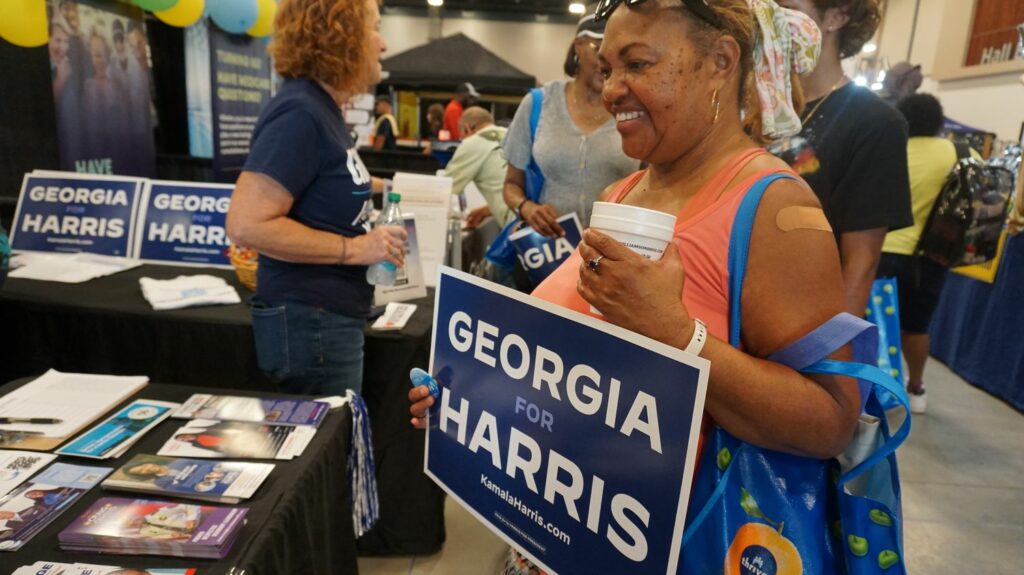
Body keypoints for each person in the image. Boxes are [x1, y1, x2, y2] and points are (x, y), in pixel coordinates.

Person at [412, 1, 861, 572]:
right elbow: (576, 366)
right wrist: (476, 395)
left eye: (638, 64)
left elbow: (830, 421)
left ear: (720, 61)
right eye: (607, 68)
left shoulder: (775, 207)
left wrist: (677, 334)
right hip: (565, 533)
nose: (611, 89)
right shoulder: (626, 194)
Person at [226, 0, 406, 396]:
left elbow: (328, 178)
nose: (383, 43)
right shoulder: (300, 112)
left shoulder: (319, 109)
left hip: (324, 319)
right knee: (331, 447)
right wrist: (355, 249)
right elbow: (247, 223)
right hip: (312, 323)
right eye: (374, 27)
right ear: (341, 35)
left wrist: (391, 187)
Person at [774, 0, 912, 316]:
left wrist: (832, 357)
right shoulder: (756, 105)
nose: (772, 17)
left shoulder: (874, 122)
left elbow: (861, 263)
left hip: (801, 319)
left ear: (837, 16)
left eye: (787, 7)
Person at [501, 7, 640, 238]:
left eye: (620, 52)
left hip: (609, 255)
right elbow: (511, 185)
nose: (607, 61)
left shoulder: (632, 108)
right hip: (547, 252)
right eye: (598, 47)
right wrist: (527, 208)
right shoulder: (539, 104)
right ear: (578, 46)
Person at [876, 93, 957, 414]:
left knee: (873, 322)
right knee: (916, 325)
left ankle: (872, 385)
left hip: (881, 249)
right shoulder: (953, 152)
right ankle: (916, 387)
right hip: (929, 257)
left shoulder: (890, 150)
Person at [444, 106, 512, 229]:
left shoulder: (473, 142)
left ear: (467, 129)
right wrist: (485, 211)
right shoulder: (508, 134)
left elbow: (444, 188)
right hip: (534, 217)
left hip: (515, 223)